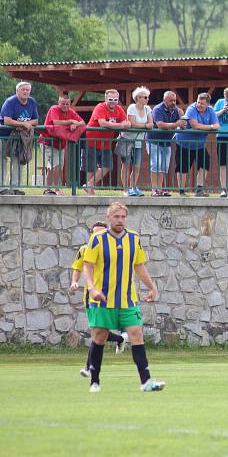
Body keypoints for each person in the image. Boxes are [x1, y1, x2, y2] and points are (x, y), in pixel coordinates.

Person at [81, 202, 165, 393]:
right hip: (102, 299)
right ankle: (95, 381)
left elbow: (139, 265)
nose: (120, 220)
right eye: (116, 217)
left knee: (136, 333)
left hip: (128, 299)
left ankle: (146, 382)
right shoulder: (97, 239)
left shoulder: (134, 239)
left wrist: (152, 287)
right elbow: (88, 266)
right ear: (109, 217)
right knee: (99, 336)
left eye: (123, 217)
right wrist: (92, 288)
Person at [69, 220, 128, 377]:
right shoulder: (84, 249)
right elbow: (77, 268)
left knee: (97, 332)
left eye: (101, 232)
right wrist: (74, 282)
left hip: (110, 294)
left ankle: (90, 368)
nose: (98, 235)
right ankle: (121, 339)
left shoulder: (114, 249)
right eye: (95, 232)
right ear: (90, 234)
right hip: (91, 297)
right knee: (97, 331)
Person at [37, 92, 85, 195]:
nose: (65, 106)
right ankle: (57, 189)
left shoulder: (71, 112)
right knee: (56, 165)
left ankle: (48, 189)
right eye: (63, 103)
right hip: (48, 142)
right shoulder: (54, 109)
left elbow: (82, 122)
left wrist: (75, 125)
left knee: (55, 165)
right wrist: (71, 121)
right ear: (58, 103)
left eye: (67, 104)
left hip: (60, 144)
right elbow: (56, 122)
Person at [84, 89, 130, 195]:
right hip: (91, 141)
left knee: (107, 166)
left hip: (106, 143)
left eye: (115, 99)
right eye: (110, 99)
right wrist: (121, 125)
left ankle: (89, 185)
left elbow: (125, 122)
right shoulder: (100, 107)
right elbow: (103, 123)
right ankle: (89, 191)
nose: (112, 102)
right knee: (90, 167)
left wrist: (125, 124)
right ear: (105, 99)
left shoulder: (119, 109)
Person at [174, 93, 219, 197]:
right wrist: (210, 127)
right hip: (184, 143)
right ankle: (181, 191)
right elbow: (195, 125)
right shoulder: (191, 108)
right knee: (183, 167)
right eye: (198, 102)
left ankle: (199, 190)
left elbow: (217, 125)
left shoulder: (211, 111)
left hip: (200, 145)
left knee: (205, 163)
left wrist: (209, 126)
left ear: (207, 104)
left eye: (202, 103)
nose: (199, 105)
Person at [0, 81, 40, 195]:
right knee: (2, 161)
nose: (25, 92)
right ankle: (1, 188)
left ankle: (15, 187)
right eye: (23, 89)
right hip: (4, 135)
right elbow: (7, 120)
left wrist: (27, 123)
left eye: (27, 90)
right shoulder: (10, 102)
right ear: (17, 91)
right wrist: (22, 124)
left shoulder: (32, 102)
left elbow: (36, 120)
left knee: (19, 160)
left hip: (19, 137)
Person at [147, 91, 185, 196]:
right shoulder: (157, 109)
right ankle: (154, 190)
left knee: (164, 166)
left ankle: (160, 189)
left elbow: (183, 126)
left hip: (167, 143)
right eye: (170, 101)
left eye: (174, 100)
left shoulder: (177, 110)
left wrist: (182, 117)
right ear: (164, 101)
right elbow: (160, 125)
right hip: (154, 141)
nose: (173, 103)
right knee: (155, 165)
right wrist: (176, 123)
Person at [119, 86, 154, 197]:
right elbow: (132, 123)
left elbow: (151, 124)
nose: (147, 99)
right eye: (145, 97)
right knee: (126, 164)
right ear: (138, 98)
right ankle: (126, 189)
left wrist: (143, 126)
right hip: (126, 139)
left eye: (147, 97)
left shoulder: (148, 109)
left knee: (137, 165)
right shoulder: (132, 107)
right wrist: (145, 126)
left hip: (139, 140)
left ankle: (133, 187)